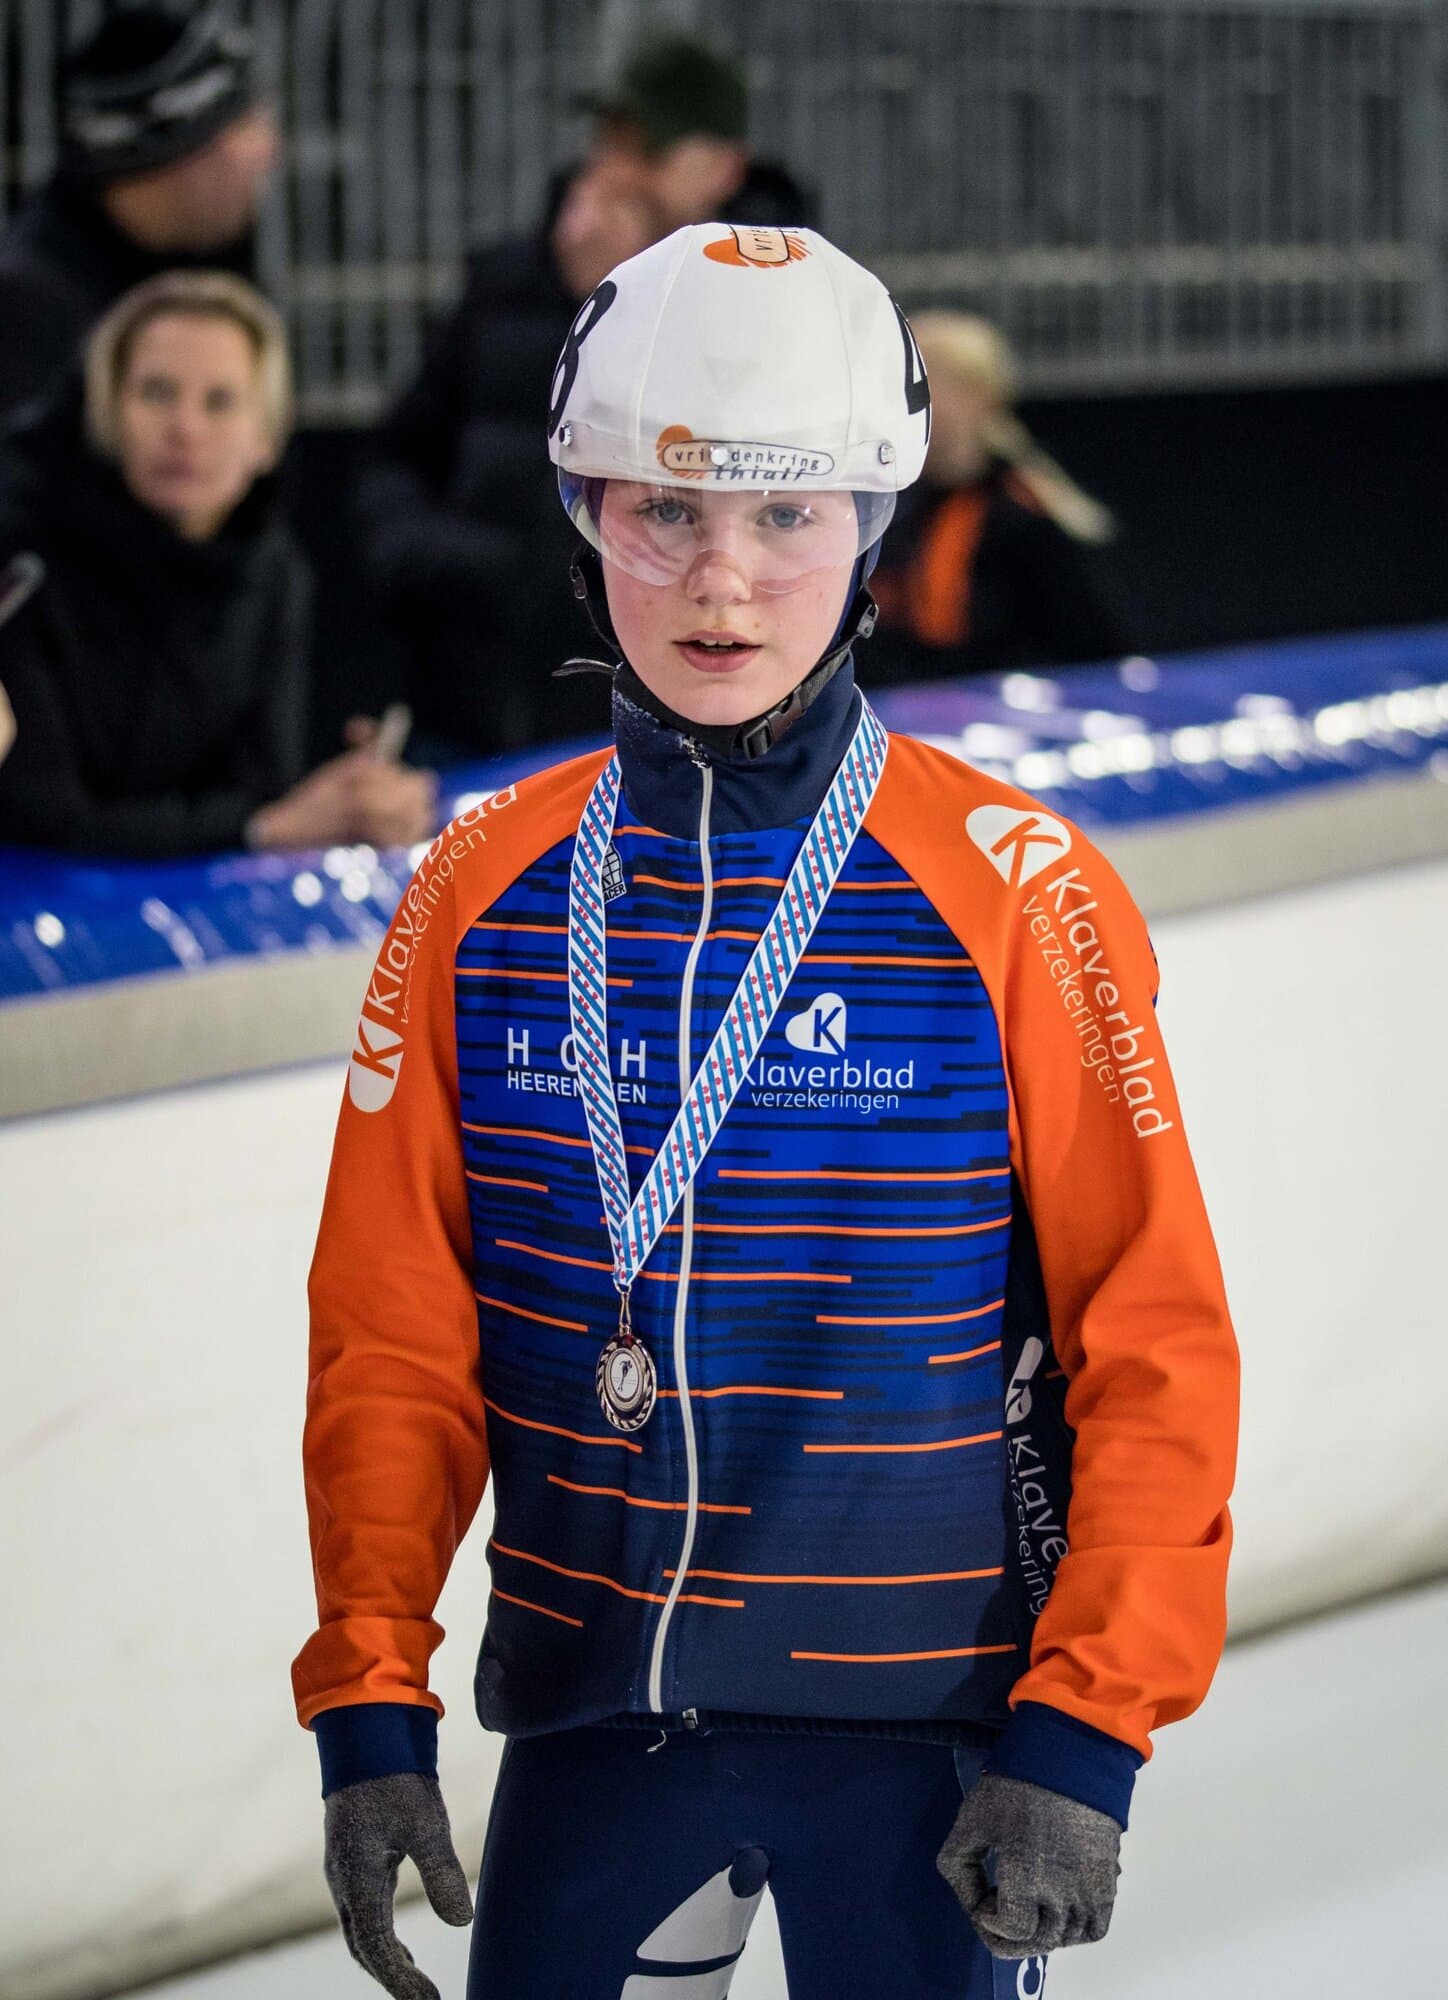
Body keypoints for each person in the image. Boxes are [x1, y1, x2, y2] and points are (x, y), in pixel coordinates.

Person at [294, 226, 1239, 2000]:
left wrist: (1088, 1729)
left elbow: (1156, 1341)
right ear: (583, 512)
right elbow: (392, 1338)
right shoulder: (474, 892)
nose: (720, 579)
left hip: (933, 1741)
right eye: (664, 510)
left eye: (786, 514)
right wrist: (366, 1688)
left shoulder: (1019, 893)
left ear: (870, 529)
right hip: (591, 1724)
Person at [354, 31, 816, 760]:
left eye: (649, 151)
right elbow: (402, 454)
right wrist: (428, 560)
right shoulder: (509, 278)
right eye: (611, 141)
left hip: (651, 719)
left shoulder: (783, 299)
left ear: (724, 168)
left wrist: (612, 305)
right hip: (462, 693)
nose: (617, 171)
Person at [0, 271, 433, 857]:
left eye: (220, 401)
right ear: (108, 413)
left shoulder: (276, 571)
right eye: (156, 393)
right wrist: (265, 828)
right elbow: (46, 823)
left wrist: (344, 796)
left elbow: (263, 786)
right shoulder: (27, 569)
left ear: (266, 439)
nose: (185, 428)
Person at [0, 3, 276, 424]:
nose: (268, 150)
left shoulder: (210, 261)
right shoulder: (34, 315)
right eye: (242, 127)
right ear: (176, 153)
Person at [868, 312, 1130, 685]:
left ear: (976, 396)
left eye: (920, 384)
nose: (896, 401)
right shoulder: (894, 503)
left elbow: (1090, 652)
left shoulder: (1024, 512)